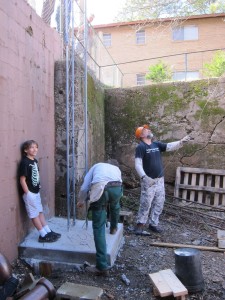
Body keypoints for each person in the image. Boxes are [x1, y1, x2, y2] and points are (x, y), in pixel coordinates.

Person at [134, 125, 191, 235]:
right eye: (146, 130)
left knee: (159, 202)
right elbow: (137, 164)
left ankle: (153, 224)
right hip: (148, 181)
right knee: (146, 203)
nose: (149, 130)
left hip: (159, 180)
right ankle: (140, 226)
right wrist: (144, 177)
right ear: (141, 135)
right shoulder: (141, 147)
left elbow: (169, 146)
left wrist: (181, 142)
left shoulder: (156, 144)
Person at [77, 161, 123, 275]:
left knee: (98, 227)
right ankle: (114, 227)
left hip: (101, 188)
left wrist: (81, 200)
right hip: (117, 187)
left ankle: (101, 265)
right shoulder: (116, 168)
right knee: (115, 205)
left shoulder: (95, 167)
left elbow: (84, 187)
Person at [19, 140, 61, 243]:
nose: (35, 149)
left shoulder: (34, 161)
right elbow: (22, 179)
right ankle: (42, 234)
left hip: (36, 192)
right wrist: (28, 193)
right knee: (34, 214)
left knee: (40, 212)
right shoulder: (25, 162)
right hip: (30, 194)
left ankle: (48, 231)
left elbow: (36, 175)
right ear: (26, 150)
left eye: (36, 147)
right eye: (32, 147)